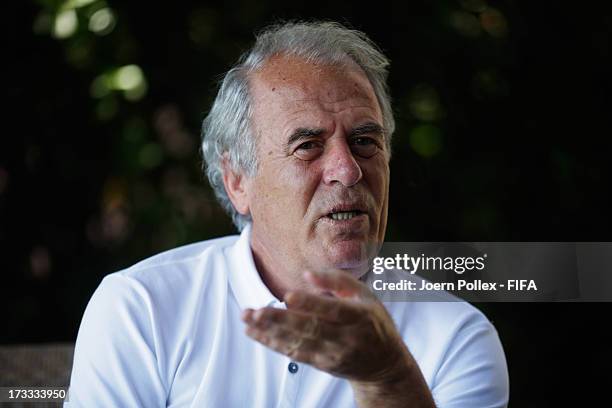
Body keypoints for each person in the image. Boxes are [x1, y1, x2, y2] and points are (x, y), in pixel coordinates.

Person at [66, 21, 509, 407]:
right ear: (238, 180)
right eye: (307, 145)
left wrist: (389, 378)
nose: (348, 169)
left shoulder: (456, 336)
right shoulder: (141, 308)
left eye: (365, 142)